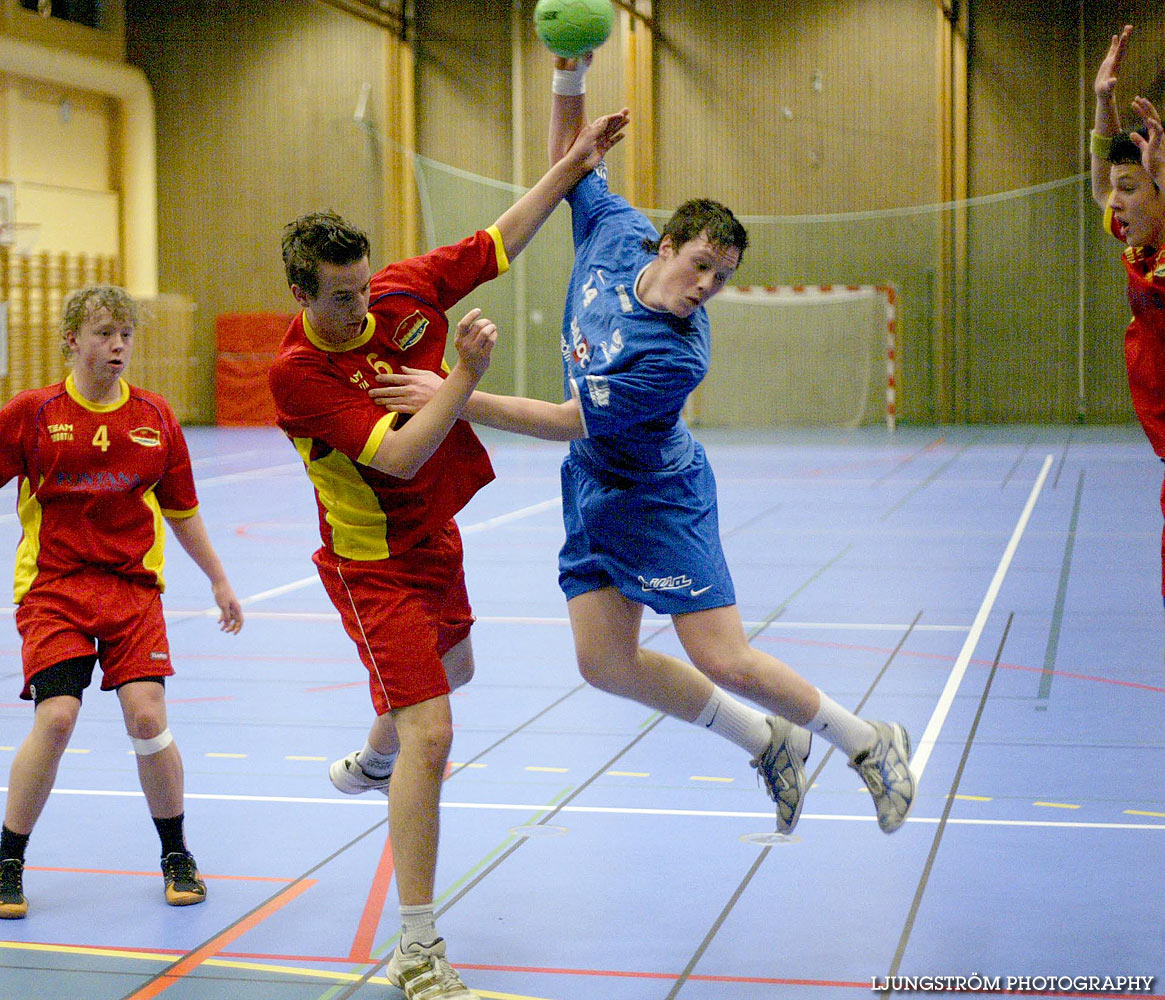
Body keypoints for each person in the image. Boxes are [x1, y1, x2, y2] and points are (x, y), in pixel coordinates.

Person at [371, 52, 917, 840]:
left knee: (722, 658)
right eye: (701, 266)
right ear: (665, 246)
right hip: (593, 488)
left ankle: (867, 742)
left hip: (658, 498)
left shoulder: (674, 355)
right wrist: (569, 77)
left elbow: (564, 419)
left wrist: (453, 396)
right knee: (603, 664)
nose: (705, 287)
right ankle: (766, 741)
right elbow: (571, 166)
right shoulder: (615, 233)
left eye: (720, 279)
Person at [268, 106, 628, 1000]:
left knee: (453, 673)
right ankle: (418, 948)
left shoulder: (398, 293)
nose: (359, 307)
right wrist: (461, 378)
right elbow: (396, 452)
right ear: (302, 297)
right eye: (338, 296)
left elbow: (498, 240)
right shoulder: (298, 374)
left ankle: (375, 754)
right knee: (436, 731)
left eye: (361, 286)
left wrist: (572, 165)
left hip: (436, 540)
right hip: (370, 562)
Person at [0, 286, 244, 921]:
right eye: (105, 333)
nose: (117, 346)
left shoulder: (155, 419)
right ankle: (8, 859)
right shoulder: (32, 413)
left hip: (132, 592)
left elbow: (183, 512)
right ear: (72, 339)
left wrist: (218, 580)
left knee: (146, 714)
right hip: (55, 589)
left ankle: (176, 854)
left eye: (126, 335)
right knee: (56, 719)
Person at [1090, 24, 1165, 604]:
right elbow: (1102, 190)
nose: (1115, 202)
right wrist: (1103, 105)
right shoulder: (1136, 245)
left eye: (1131, 189)